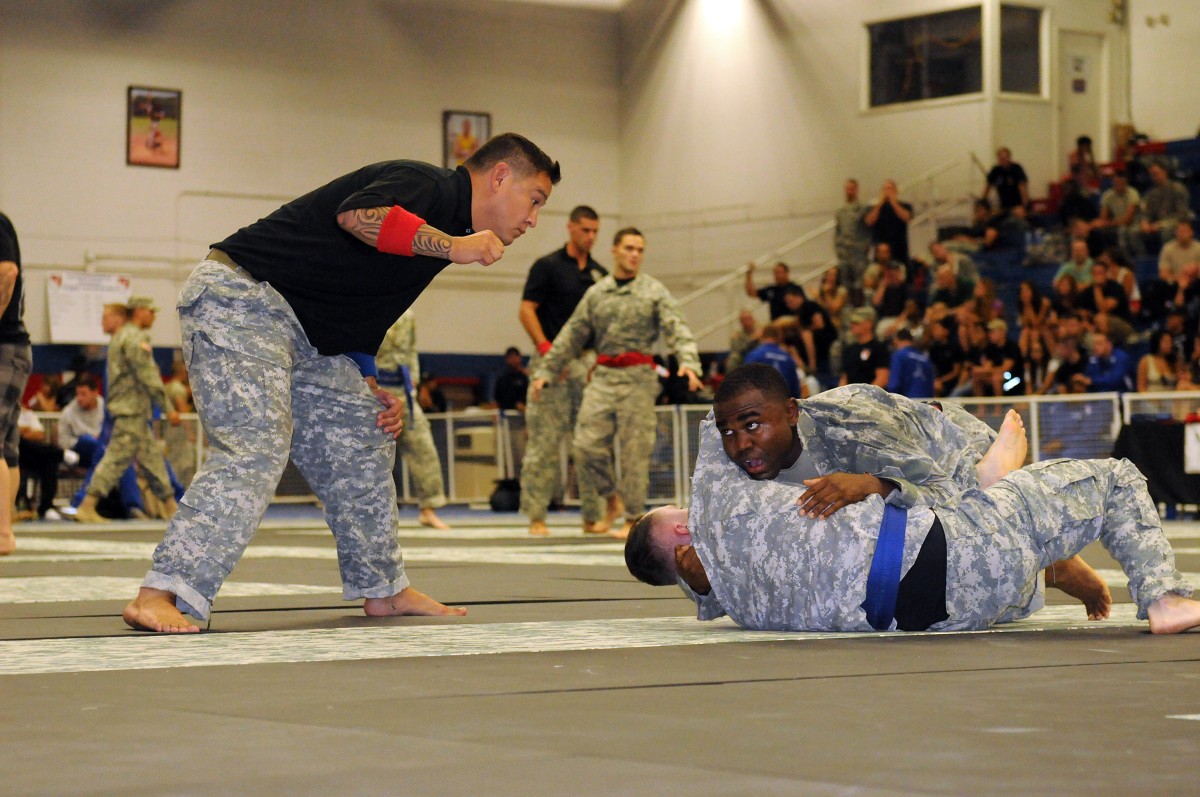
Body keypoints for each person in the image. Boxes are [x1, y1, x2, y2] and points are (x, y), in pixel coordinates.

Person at [123, 132, 560, 632]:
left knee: (364, 429)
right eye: (535, 200)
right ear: (501, 176)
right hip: (242, 297)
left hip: (310, 337)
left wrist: (367, 382)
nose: (532, 220)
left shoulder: (446, 224)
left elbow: (356, 307)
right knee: (257, 445)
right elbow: (358, 217)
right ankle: (162, 591)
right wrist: (453, 246)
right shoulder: (431, 185)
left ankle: (383, 588)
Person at [626, 366, 1122, 629]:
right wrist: (703, 586)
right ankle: (1045, 566)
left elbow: (937, 488)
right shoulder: (741, 485)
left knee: (959, 529)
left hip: (945, 451)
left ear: (791, 413)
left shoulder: (850, 419)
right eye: (731, 434)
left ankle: (1003, 493)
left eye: (752, 426)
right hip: (918, 530)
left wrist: (874, 484)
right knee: (959, 583)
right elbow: (730, 582)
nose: (741, 446)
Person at [628, 447, 1199, 636]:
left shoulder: (735, 604)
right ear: (683, 531)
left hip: (954, 614)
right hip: (957, 548)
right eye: (686, 512)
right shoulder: (723, 512)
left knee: (997, 543)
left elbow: (705, 588)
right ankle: (1164, 597)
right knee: (1118, 480)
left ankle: (1030, 548)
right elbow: (724, 412)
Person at [530, 227, 702, 539]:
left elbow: (676, 327)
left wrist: (688, 362)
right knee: (584, 445)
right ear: (615, 250)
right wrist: (546, 370)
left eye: (640, 249)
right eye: (629, 248)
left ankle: (633, 516)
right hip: (604, 376)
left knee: (635, 450)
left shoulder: (653, 290)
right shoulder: (597, 293)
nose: (634, 255)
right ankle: (611, 498)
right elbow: (573, 334)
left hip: (638, 379)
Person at [518, 205, 608, 536]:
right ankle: (537, 516)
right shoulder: (548, 267)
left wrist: (598, 361)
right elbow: (527, 310)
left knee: (588, 442)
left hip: (587, 363)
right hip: (552, 361)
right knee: (544, 441)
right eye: (585, 230)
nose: (591, 237)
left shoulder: (600, 275)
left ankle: (592, 516)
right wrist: (546, 350)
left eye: (596, 231)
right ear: (571, 228)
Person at [72, 302, 181, 524]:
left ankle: (172, 507)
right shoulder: (133, 338)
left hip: (133, 412)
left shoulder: (120, 338)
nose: (153, 318)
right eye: (151, 311)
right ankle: (87, 504)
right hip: (131, 411)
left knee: (152, 460)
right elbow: (148, 376)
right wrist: (168, 408)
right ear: (139, 311)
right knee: (115, 459)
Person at [375, 309, 451, 530]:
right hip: (374, 389)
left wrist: (414, 384)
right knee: (367, 456)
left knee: (424, 448)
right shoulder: (367, 302)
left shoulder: (407, 313)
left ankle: (429, 507)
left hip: (403, 391)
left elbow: (411, 351)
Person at [0, 211, 31, 555]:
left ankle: (3, 533)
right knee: (7, 447)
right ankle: (3, 531)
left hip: (4, 345)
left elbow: (7, 271)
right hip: (13, 346)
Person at [1139, 162, 1192, 252]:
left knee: (1167, 232)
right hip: (1156, 224)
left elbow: (1182, 215)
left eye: (1156, 174)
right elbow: (1147, 212)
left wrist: (1160, 225)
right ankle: (1142, 258)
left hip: (1175, 222)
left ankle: (1168, 257)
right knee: (1133, 232)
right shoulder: (1151, 193)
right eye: (1152, 175)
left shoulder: (1178, 188)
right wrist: (1145, 222)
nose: (1154, 177)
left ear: (1164, 172)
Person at [743, 322, 801, 399]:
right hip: (783, 404)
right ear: (779, 337)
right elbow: (795, 390)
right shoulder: (788, 358)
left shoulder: (754, 355)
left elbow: (745, 383)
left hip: (759, 403)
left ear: (763, 336)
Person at [834, 178, 871, 293]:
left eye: (852, 189)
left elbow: (868, 230)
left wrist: (864, 247)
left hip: (858, 254)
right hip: (844, 254)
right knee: (845, 284)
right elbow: (838, 231)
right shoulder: (840, 210)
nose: (849, 191)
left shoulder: (863, 208)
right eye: (847, 189)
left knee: (860, 285)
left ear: (856, 190)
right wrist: (839, 249)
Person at [864, 179, 913, 265]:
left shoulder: (905, 205)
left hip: (899, 247)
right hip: (880, 249)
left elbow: (907, 217)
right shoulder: (873, 207)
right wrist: (880, 203)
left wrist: (894, 202)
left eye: (890, 189)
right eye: (885, 189)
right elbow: (869, 221)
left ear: (896, 191)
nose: (887, 192)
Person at [838, 307, 889, 388]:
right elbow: (844, 377)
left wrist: (866, 396)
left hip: (872, 397)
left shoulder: (879, 348)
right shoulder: (849, 349)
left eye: (856, 322)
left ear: (869, 324)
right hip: (851, 396)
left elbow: (882, 378)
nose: (852, 325)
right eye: (851, 322)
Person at [885, 329, 933, 398]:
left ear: (896, 340)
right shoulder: (925, 359)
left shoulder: (899, 355)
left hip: (907, 401)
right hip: (926, 401)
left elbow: (894, 383)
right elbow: (931, 385)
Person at [982, 147, 1029, 211]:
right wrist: (982, 203)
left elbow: (1023, 188)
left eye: (1004, 158)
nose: (1003, 160)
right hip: (1003, 206)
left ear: (1009, 157)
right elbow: (987, 187)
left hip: (1018, 205)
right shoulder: (995, 170)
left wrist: (1024, 206)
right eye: (1000, 158)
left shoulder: (1017, 168)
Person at [492, 346, 529, 412]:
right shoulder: (503, 378)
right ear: (507, 360)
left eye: (516, 356)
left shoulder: (525, 377)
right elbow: (498, 399)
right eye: (511, 357)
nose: (514, 359)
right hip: (507, 411)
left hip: (524, 409)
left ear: (520, 358)